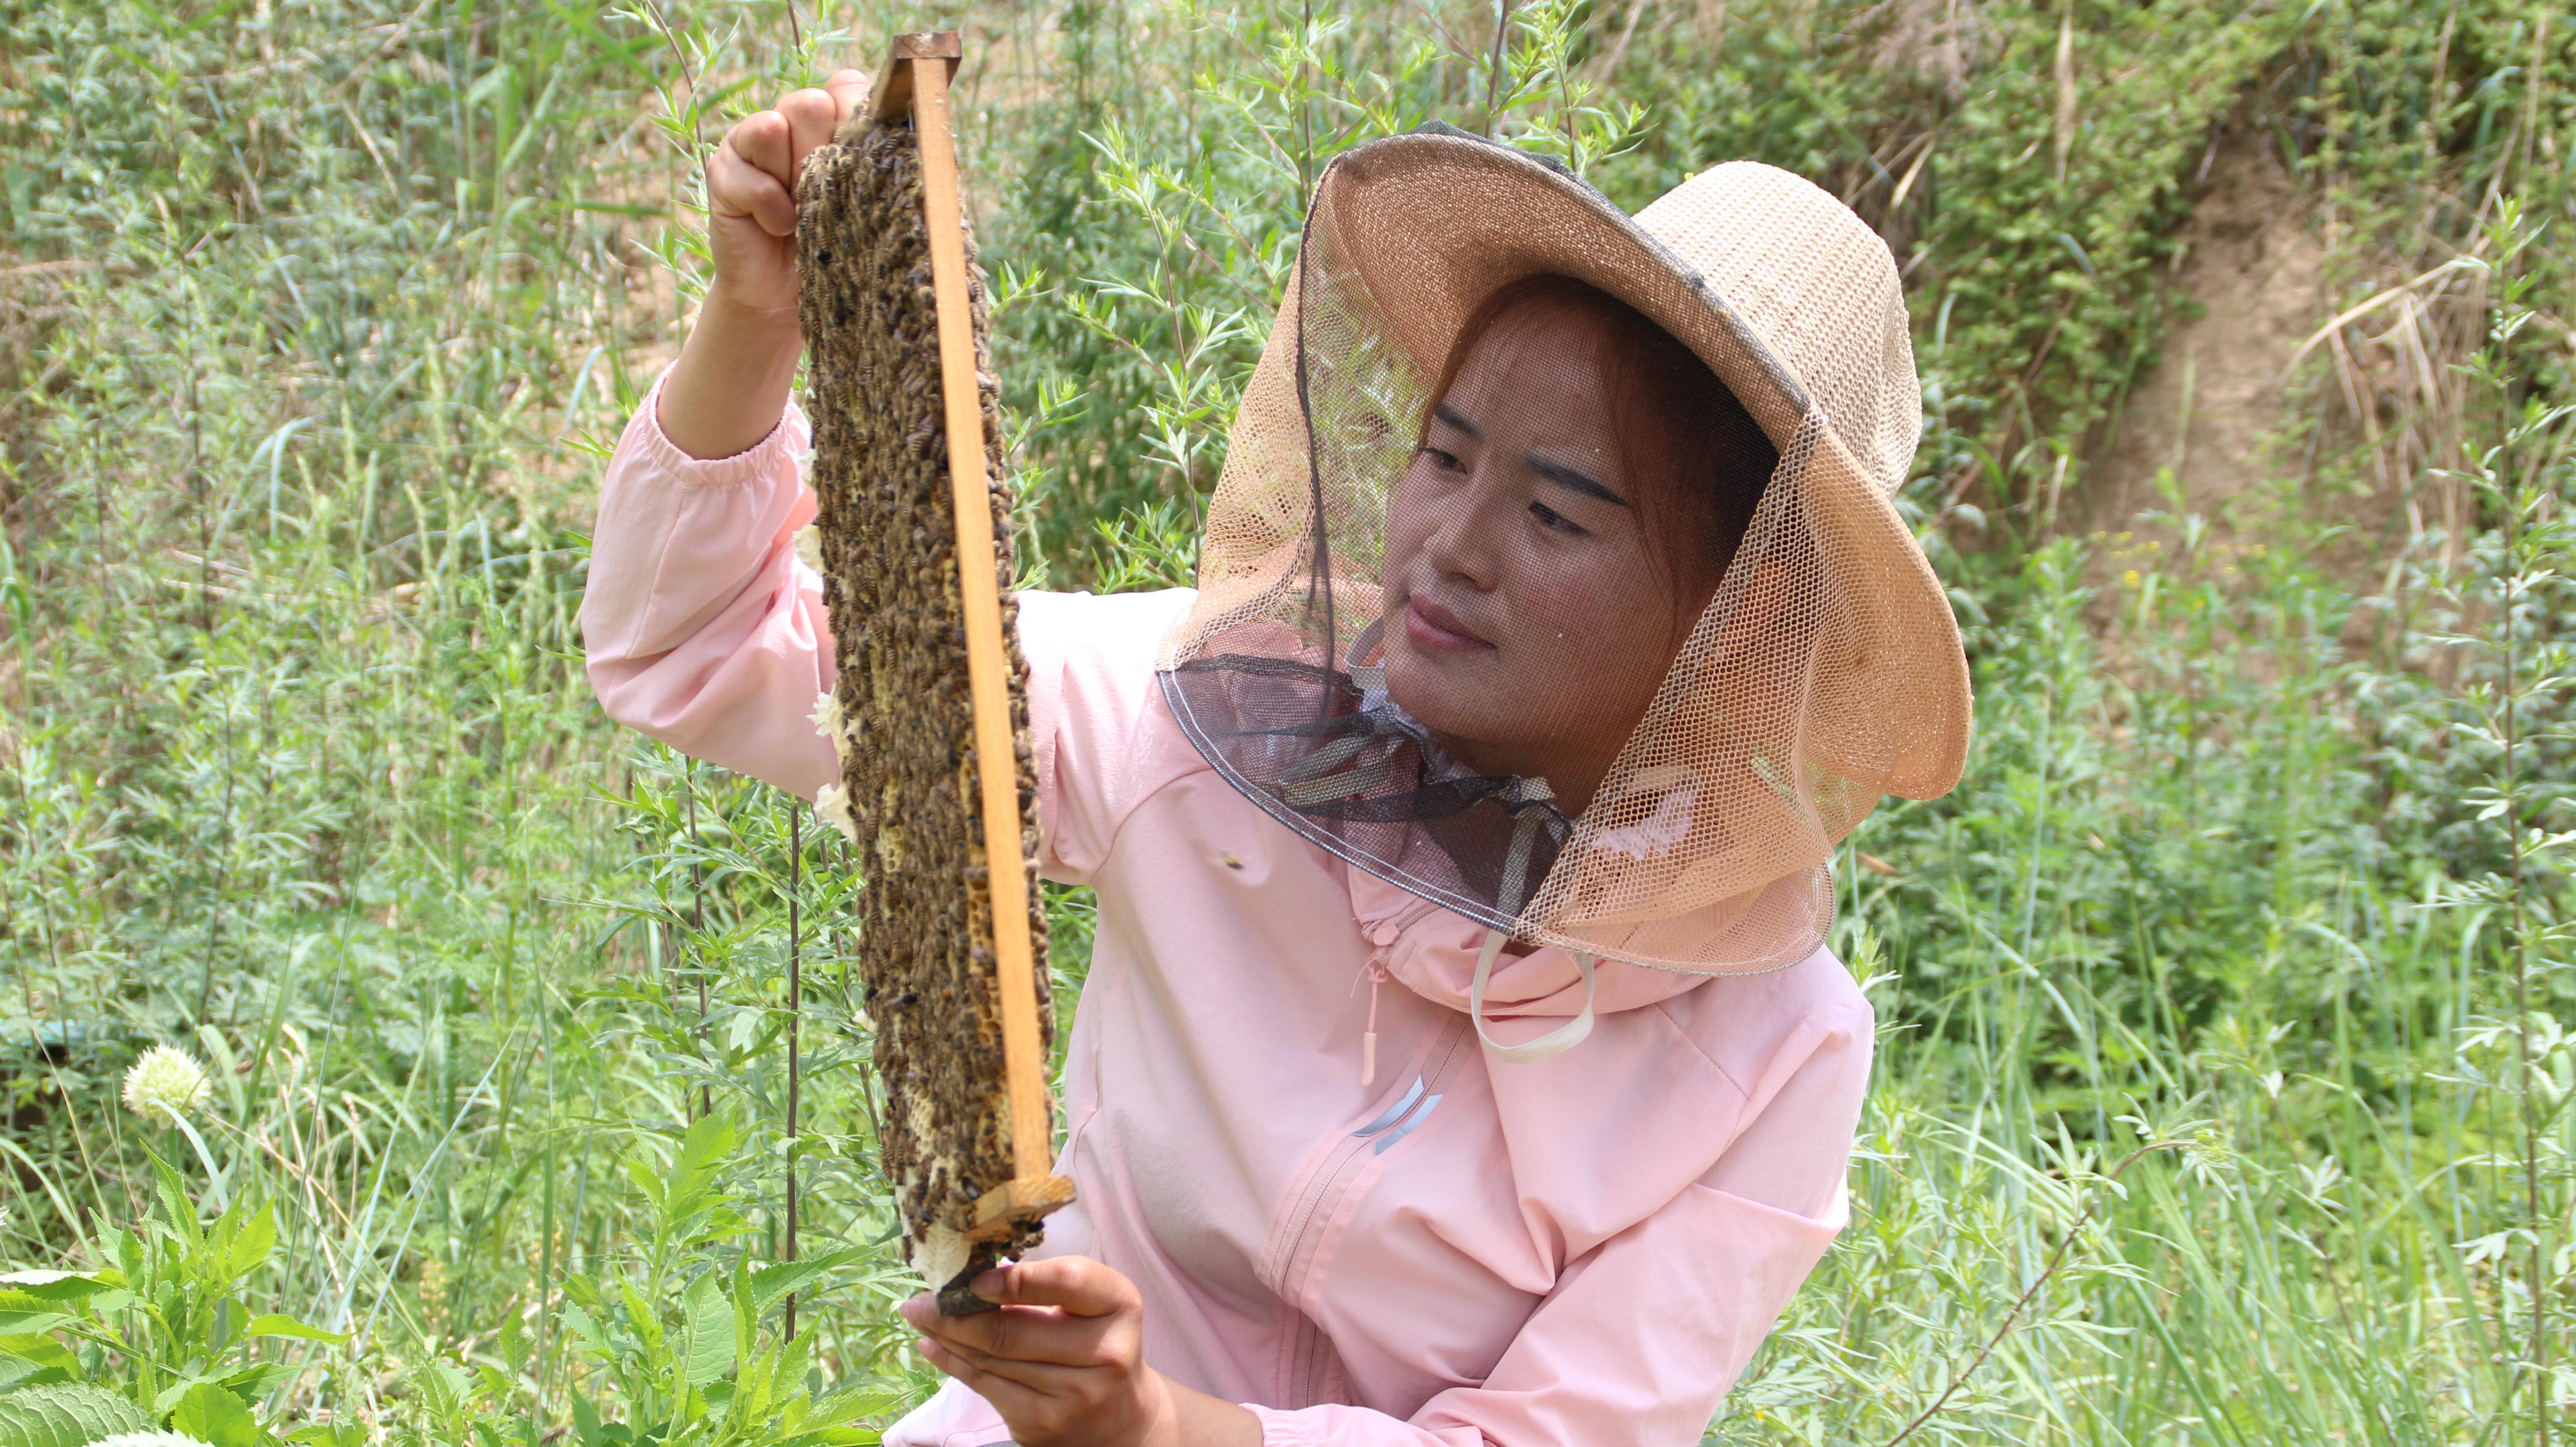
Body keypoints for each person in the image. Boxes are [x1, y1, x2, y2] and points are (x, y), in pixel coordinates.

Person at [582, 68, 1969, 1447]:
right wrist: (753, 326)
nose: (1450, 544)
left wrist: (1166, 1429)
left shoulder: (1779, 1050)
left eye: (1556, 514)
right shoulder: (1197, 716)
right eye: (1445, 453)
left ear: (1738, 621)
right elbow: (699, 647)